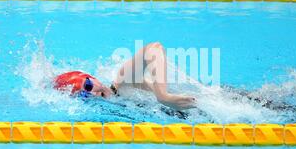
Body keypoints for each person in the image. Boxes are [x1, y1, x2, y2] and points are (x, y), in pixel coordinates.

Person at [53, 42, 196, 111]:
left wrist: (164, 97)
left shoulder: (122, 82)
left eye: (88, 85)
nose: (91, 93)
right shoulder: (114, 105)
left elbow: (153, 49)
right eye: (84, 95)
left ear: (94, 78)